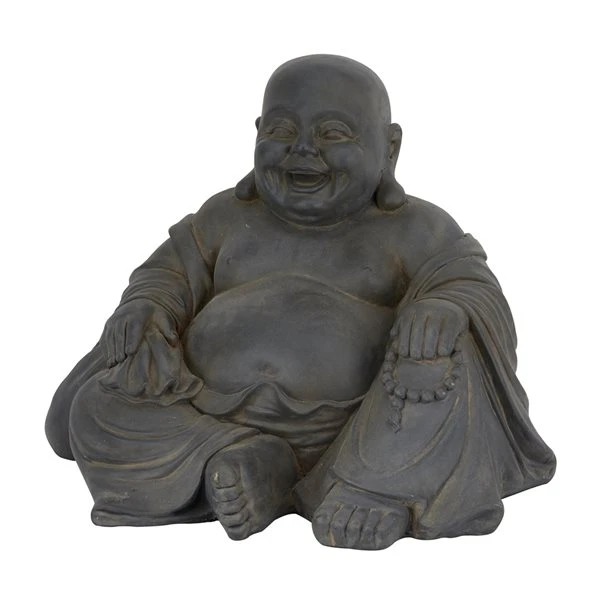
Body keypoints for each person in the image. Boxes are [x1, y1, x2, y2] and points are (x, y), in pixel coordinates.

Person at [45, 54, 556, 550]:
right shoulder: (224, 217)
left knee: (446, 357)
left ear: (390, 148)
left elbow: (469, 284)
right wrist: (146, 309)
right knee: (97, 408)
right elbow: (167, 275)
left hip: (361, 427)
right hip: (204, 413)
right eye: (281, 130)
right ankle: (247, 463)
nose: (303, 150)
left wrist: (444, 308)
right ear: (256, 133)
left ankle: (376, 484)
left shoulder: (415, 230)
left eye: (333, 133)